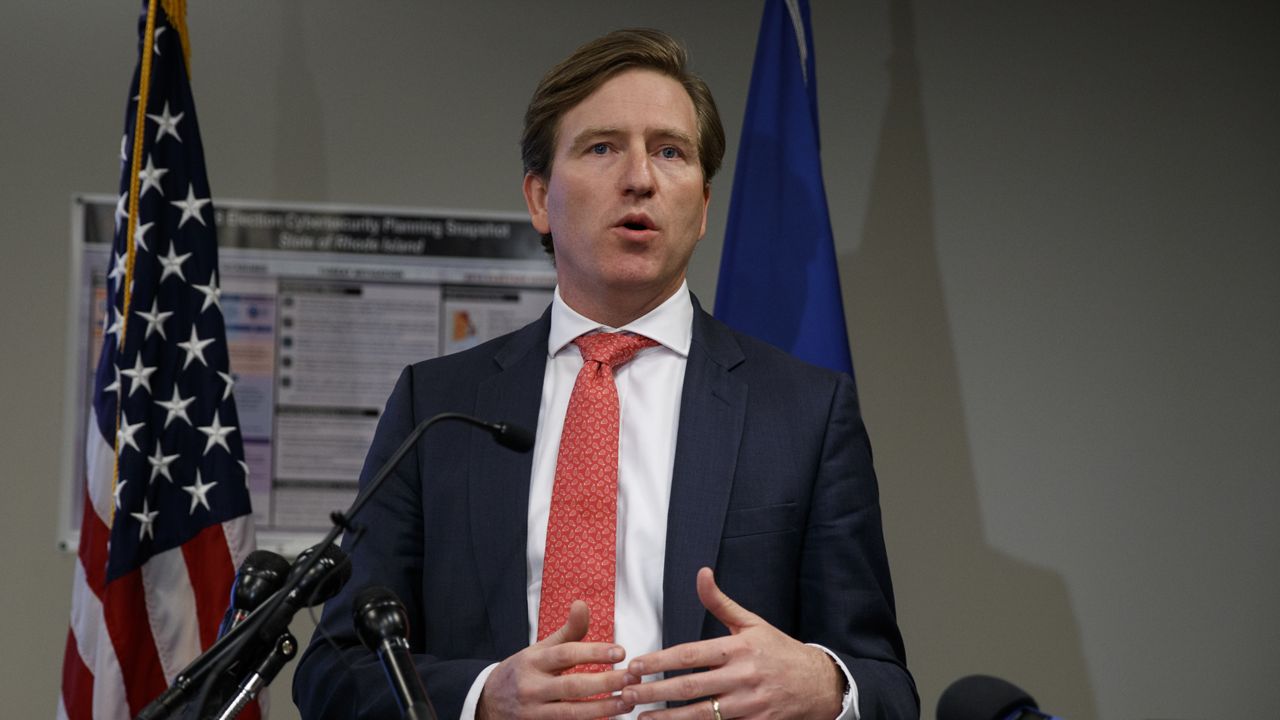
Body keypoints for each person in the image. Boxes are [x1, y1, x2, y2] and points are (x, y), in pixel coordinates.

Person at [293, 28, 917, 720]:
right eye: (602, 147)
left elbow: (887, 685)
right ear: (538, 199)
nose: (641, 178)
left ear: (704, 207)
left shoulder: (805, 412)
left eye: (671, 152)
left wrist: (828, 685)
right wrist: (480, 699)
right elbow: (334, 668)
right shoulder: (436, 407)